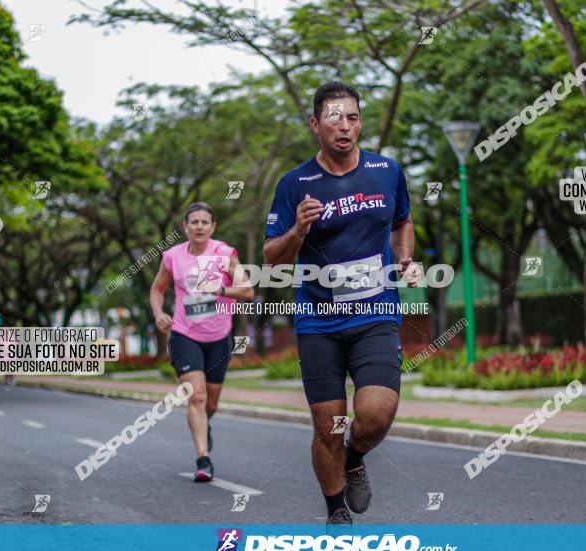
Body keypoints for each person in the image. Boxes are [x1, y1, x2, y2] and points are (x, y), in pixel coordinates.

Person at [264, 82, 420, 526]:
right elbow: (270, 259)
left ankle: (354, 457)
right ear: (316, 125)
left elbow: (403, 220)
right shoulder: (295, 184)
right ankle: (336, 511)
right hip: (318, 322)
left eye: (352, 117)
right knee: (328, 425)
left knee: (374, 415)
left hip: (375, 314)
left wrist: (405, 255)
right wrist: (297, 230)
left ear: (360, 122)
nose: (345, 126)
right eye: (334, 118)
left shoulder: (387, 171)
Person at [150, 202, 255, 481]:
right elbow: (158, 288)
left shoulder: (223, 253)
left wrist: (220, 288)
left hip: (219, 337)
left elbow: (248, 291)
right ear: (185, 227)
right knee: (196, 395)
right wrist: (159, 313)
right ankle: (203, 458)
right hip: (185, 335)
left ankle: (204, 423)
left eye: (204, 222)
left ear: (213, 227)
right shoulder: (173, 256)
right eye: (193, 222)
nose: (198, 226)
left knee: (211, 402)